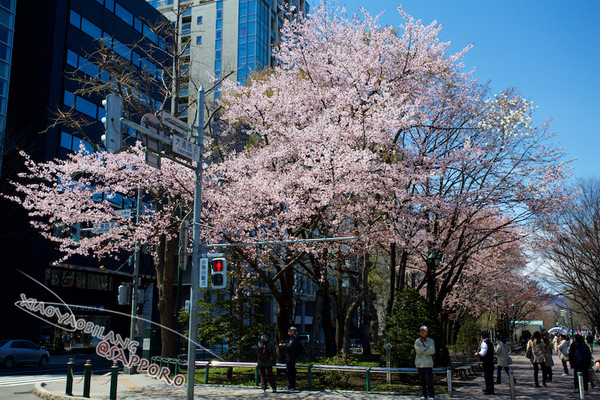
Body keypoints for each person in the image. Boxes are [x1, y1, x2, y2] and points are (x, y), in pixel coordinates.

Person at [414, 326, 435, 400]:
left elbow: (432, 351)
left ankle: (431, 395)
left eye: (424, 331)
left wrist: (422, 350)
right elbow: (417, 350)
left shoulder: (431, 341)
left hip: (428, 363)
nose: (423, 332)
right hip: (419, 364)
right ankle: (424, 395)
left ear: (427, 332)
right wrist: (426, 349)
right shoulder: (417, 341)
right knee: (422, 381)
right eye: (421, 331)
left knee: (429, 380)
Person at [279, 326, 300, 390]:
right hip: (292, 356)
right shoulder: (296, 337)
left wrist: (283, 345)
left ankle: (291, 386)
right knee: (291, 371)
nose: (288, 332)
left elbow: (290, 345)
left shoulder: (293, 337)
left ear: (293, 331)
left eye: (290, 331)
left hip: (290, 356)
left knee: (290, 371)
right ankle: (291, 385)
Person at [475, 330, 495, 395]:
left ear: (482, 336)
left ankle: (489, 389)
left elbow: (483, 352)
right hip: (491, 361)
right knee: (490, 376)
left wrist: (478, 353)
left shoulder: (484, 343)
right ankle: (490, 388)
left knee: (487, 375)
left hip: (486, 361)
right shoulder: (490, 342)